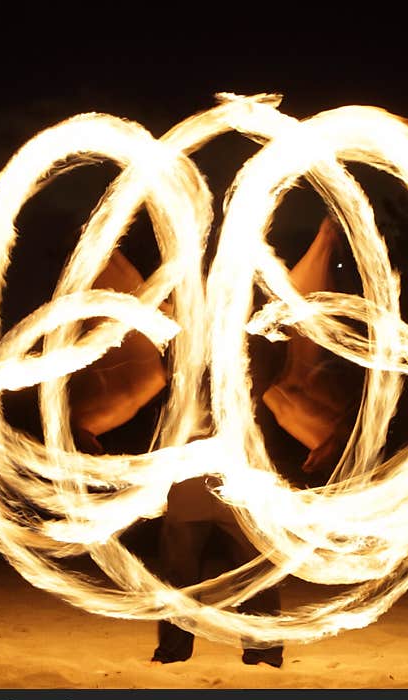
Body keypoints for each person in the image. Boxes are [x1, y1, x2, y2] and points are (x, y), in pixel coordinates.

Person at [68, 216, 359, 668]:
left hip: (240, 476)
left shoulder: (254, 349)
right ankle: (175, 646)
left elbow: (282, 394)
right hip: (188, 475)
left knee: (256, 566)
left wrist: (323, 436)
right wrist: (91, 425)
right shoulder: (179, 346)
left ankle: (261, 647)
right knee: (179, 570)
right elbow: (141, 382)